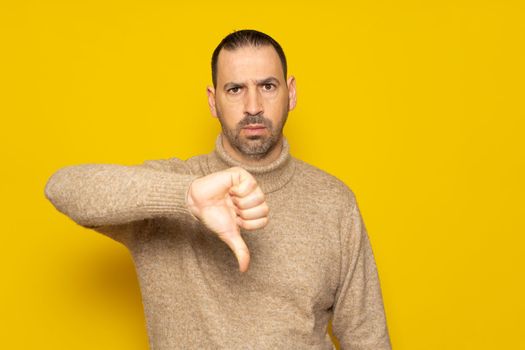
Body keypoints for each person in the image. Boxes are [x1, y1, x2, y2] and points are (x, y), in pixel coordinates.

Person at [44, 29, 391, 349]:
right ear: (213, 101)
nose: (253, 106)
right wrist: (186, 197)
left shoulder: (334, 202)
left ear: (292, 92)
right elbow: (63, 187)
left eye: (267, 86)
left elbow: (367, 338)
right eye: (235, 89)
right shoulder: (169, 192)